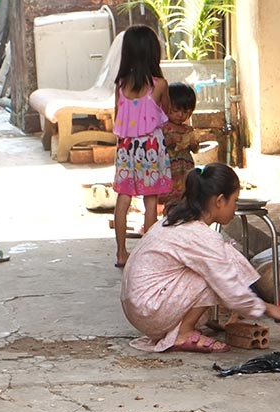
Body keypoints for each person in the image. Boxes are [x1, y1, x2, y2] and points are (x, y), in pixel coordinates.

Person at [121, 163, 280, 353]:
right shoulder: (200, 236)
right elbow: (226, 283)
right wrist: (266, 307)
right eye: (234, 200)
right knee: (216, 272)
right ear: (220, 201)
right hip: (149, 310)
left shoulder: (176, 220)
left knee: (223, 256)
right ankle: (184, 333)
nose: (235, 207)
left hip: (139, 306)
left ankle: (193, 325)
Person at [112, 25, 173, 268]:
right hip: (150, 147)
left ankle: (120, 253)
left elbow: (117, 115)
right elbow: (166, 113)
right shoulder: (159, 85)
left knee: (123, 199)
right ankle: (146, 256)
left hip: (126, 147)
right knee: (150, 201)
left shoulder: (120, 86)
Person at [160, 82, 200, 202]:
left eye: (186, 111)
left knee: (185, 199)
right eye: (175, 110)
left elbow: (195, 149)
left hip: (185, 171)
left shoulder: (188, 129)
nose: (180, 115)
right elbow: (158, 146)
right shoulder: (164, 128)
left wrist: (193, 144)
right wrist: (171, 140)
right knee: (169, 201)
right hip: (169, 170)